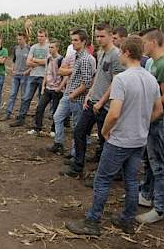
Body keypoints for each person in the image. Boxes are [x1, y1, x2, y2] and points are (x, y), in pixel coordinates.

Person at [64, 36, 163, 236]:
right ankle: (127, 219)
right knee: (132, 180)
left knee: (102, 179)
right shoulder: (150, 78)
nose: (119, 55)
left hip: (120, 140)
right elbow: (159, 110)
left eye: (120, 52)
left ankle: (92, 221)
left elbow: (115, 112)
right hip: (139, 140)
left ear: (126, 52)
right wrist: (142, 124)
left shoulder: (122, 79)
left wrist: (105, 130)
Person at [63, 23, 124, 182]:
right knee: (79, 131)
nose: (99, 39)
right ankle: (78, 166)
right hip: (93, 102)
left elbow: (115, 82)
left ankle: (103, 176)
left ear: (111, 36)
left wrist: (101, 102)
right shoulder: (101, 52)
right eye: (97, 36)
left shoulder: (116, 55)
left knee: (104, 141)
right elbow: (97, 77)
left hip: (106, 105)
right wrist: (90, 96)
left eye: (102, 36)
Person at [46, 29, 94, 155]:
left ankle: (75, 153)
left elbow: (87, 82)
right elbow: (61, 71)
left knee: (76, 127)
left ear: (84, 42)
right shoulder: (76, 56)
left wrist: (73, 95)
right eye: (72, 40)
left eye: (76, 40)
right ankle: (59, 143)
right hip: (69, 94)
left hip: (77, 98)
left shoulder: (85, 59)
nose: (73, 42)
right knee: (57, 117)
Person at [136, 28, 164, 224]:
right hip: (152, 119)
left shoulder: (162, 64)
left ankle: (160, 208)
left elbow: (162, 100)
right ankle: (147, 195)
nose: (142, 46)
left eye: (144, 42)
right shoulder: (153, 63)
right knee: (150, 161)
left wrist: (148, 118)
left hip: (158, 121)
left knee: (159, 166)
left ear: (153, 41)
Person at [10, 29, 49, 127]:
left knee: (41, 100)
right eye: (38, 36)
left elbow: (48, 62)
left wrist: (35, 60)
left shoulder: (49, 47)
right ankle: (21, 118)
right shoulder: (34, 47)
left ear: (46, 37)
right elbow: (28, 62)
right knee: (26, 97)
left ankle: (38, 122)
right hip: (32, 75)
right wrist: (41, 61)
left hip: (43, 76)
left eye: (42, 36)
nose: (39, 38)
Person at [27, 39, 67, 136]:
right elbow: (46, 72)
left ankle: (54, 130)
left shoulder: (62, 60)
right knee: (40, 107)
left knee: (55, 111)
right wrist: (43, 86)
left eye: (52, 47)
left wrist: (60, 87)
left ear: (57, 48)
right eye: (49, 47)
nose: (50, 49)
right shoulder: (48, 59)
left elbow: (66, 76)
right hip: (48, 88)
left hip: (57, 90)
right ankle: (37, 128)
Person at [2, 32, 30, 121]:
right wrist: (12, 69)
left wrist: (28, 71)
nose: (19, 41)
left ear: (25, 39)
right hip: (16, 75)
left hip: (24, 76)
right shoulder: (16, 48)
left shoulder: (29, 49)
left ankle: (21, 115)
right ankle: (8, 113)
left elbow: (31, 63)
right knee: (12, 94)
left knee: (23, 96)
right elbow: (14, 60)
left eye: (20, 39)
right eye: (18, 39)